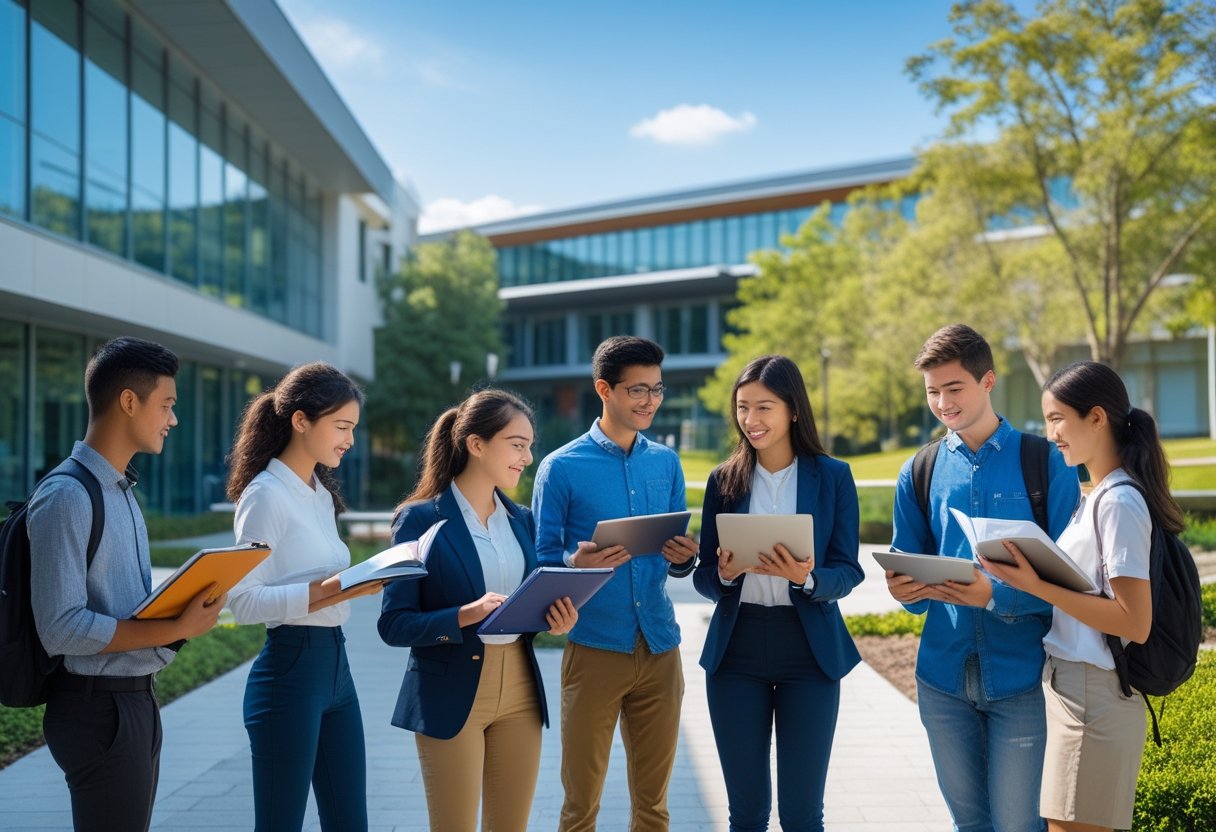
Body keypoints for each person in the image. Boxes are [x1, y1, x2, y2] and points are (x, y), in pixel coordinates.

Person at [886, 324, 1080, 832]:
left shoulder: (1045, 463)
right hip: (941, 679)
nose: (943, 403)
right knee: (969, 827)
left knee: (1020, 826)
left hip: (1023, 680)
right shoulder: (919, 470)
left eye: (954, 388)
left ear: (988, 380)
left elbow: (1073, 585)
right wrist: (904, 590)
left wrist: (996, 595)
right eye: (933, 392)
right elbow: (909, 564)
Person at [29, 336, 227, 832]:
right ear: (129, 401)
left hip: (134, 701)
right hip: (97, 710)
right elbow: (61, 628)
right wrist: (169, 629)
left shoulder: (120, 492)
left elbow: (125, 606)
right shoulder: (67, 497)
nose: (173, 420)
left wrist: (182, 607)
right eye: (167, 404)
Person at [981, 361, 1181, 832]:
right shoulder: (1098, 495)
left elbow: (1134, 621)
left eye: (1057, 419)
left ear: (1096, 417)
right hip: (1077, 690)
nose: (1052, 434)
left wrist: (1036, 584)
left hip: (1094, 694)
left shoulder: (1118, 502)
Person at [378, 389, 577, 832]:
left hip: (521, 692)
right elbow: (393, 624)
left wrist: (554, 620)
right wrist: (464, 615)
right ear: (476, 443)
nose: (526, 457)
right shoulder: (419, 520)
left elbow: (529, 603)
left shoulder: (522, 520)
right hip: (450, 691)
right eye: (517, 444)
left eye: (529, 446)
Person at [532, 335, 699, 832]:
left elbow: (674, 558)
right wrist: (574, 563)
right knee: (580, 806)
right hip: (594, 648)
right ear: (604, 389)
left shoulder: (665, 462)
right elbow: (541, 560)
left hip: (660, 648)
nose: (649, 401)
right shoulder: (560, 468)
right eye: (638, 391)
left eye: (657, 390)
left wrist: (682, 559)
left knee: (654, 807)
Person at [693, 355, 864, 831]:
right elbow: (704, 577)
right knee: (745, 814)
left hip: (808, 652)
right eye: (743, 407)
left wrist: (806, 578)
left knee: (802, 814)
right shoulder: (723, 481)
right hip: (736, 653)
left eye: (763, 407)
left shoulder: (832, 477)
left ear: (793, 409)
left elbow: (849, 570)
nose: (751, 420)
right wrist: (726, 575)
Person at [226, 362, 381, 832]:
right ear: (300, 420)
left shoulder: (318, 494)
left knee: (350, 822)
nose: (349, 440)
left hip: (337, 670)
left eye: (352, 428)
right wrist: (333, 589)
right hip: (289, 674)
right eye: (341, 427)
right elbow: (243, 601)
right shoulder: (265, 495)